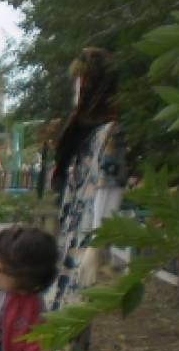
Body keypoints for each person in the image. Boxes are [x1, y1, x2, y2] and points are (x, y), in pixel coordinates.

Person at [47, 47, 127, 316]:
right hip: (71, 235)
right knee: (60, 305)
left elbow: (109, 187)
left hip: (85, 239)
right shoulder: (85, 136)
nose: (76, 89)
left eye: (80, 81)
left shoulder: (109, 133)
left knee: (74, 308)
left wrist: (97, 245)